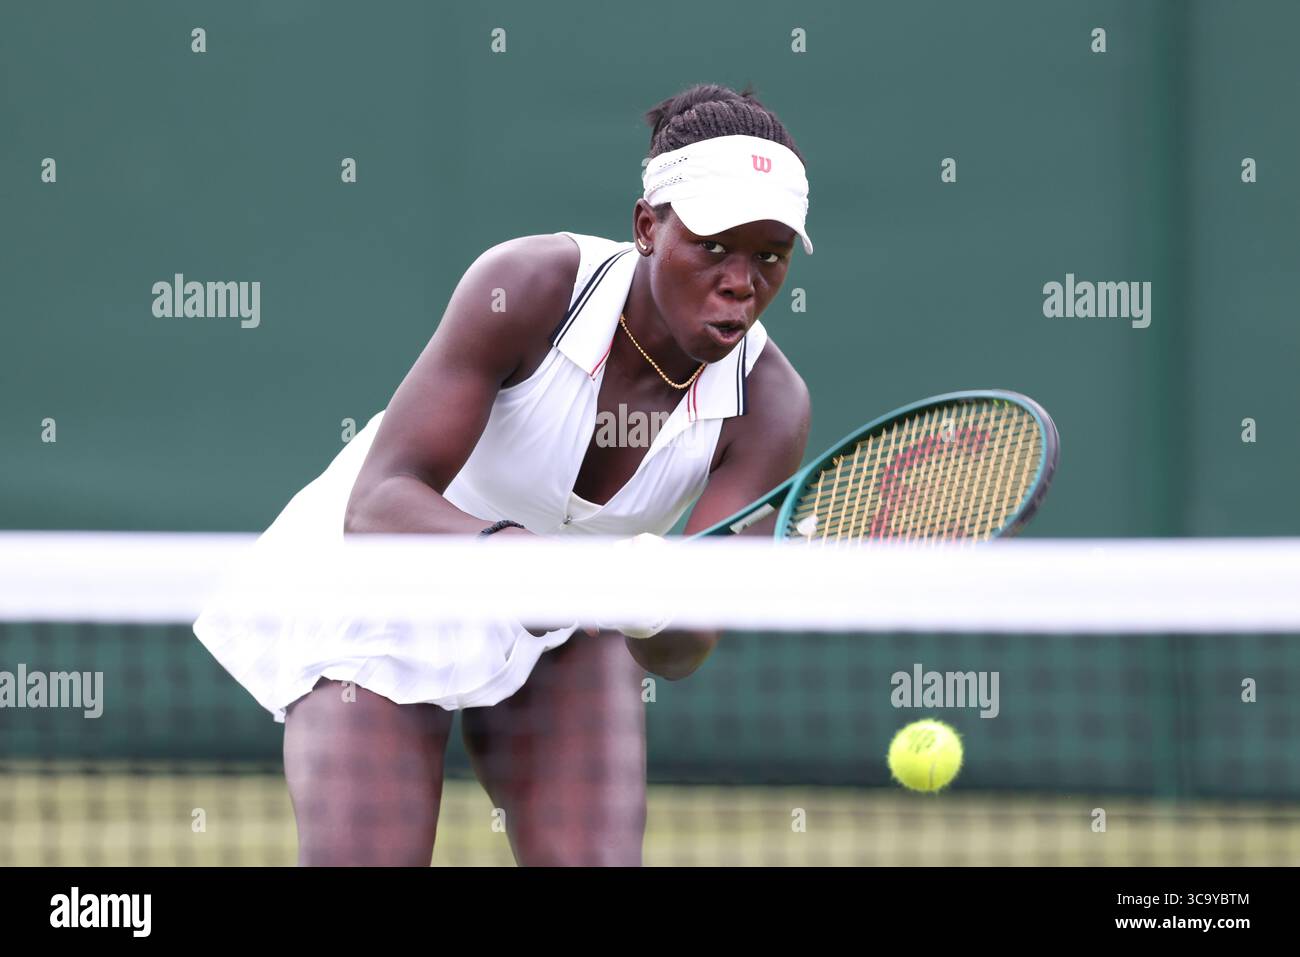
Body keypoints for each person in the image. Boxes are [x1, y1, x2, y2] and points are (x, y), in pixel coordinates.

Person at [193, 82, 813, 865]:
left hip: (570, 624)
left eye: (770, 255)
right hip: (388, 585)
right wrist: (544, 564)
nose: (741, 281)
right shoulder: (530, 287)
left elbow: (684, 648)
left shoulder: (771, 406)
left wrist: (658, 605)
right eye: (714, 246)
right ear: (647, 226)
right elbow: (380, 506)